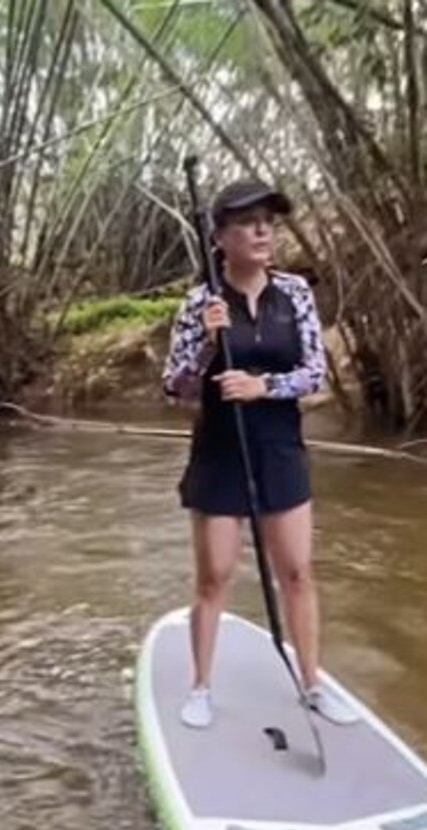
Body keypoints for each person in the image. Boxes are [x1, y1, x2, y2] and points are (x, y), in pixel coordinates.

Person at [162, 178, 357, 729]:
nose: (262, 231)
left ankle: (312, 685)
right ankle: (200, 688)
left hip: (278, 446)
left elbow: (316, 373)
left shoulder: (294, 292)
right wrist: (205, 345)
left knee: (297, 570)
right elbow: (174, 388)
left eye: (268, 221)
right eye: (248, 223)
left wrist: (262, 386)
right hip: (220, 451)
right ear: (220, 237)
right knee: (215, 575)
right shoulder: (201, 301)